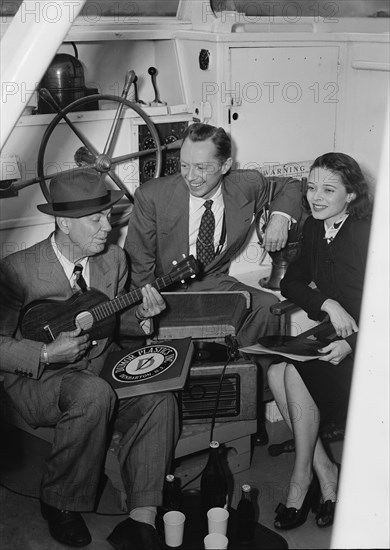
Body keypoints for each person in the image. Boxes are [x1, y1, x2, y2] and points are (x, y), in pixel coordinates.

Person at [0, 168, 179, 550]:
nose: (108, 227)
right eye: (96, 219)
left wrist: (145, 318)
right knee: (92, 394)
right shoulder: (17, 271)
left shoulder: (113, 259)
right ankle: (59, 502)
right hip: (39, 380)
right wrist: (47, 352)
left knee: (160, 398)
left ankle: (142, 518)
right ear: (64, 223)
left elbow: (114, 322)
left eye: (109, 216)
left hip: (98, 365)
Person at [124, 122, 303, 445]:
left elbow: (290, 186)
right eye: (184, 165)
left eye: (203, 168)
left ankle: (249, 398)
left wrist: (279, 217)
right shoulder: (152, 196)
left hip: (215, 281)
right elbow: (140, 268)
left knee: (268, 308)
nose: (191, 176)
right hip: (166, 290)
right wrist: (147, 306)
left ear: (225, 166)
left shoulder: (246, 184)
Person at [267, 152, 373, 530]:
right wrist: (327, 303)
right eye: (312, 187)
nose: (316, 197)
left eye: (329, 189)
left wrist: (356, 341)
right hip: (337, 333)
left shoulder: (369, 234)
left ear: (352, 195)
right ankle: (327, 473)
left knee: (292, 373)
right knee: (275, 372)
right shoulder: (314, 227)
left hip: (373, 351)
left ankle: (302, 481)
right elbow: (289, 282)